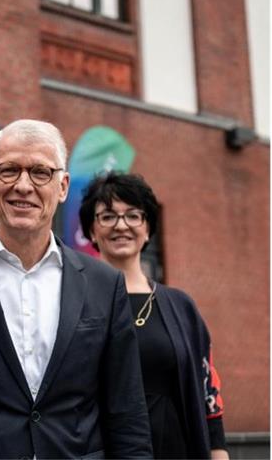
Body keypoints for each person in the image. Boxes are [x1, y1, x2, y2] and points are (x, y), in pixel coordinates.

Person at [0, 119, 152, 459]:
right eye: (9, 170)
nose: (23, 185)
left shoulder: (104, 284)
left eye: (41, 172)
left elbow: (127, 411)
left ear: (64, 186)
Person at [78, 171, 228, 459]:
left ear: (147, 229)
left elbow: (209, 395)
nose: (121, 225)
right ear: (91, 231)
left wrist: (218, 454)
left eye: (133, 216)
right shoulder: (75, 303)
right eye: (107, 216)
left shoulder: (181, 307)